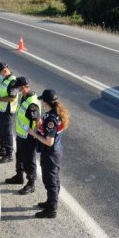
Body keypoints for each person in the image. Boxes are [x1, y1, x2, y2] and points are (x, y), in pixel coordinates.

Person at [27, 89, 69, 218]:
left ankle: (51, 210)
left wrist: (34, 133)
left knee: (50, 181)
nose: (42, 103)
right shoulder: (54, 113)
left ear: (46, 102)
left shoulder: (51, 118)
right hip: (54, 152)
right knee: (53, 180)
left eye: (42, 101)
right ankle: (50, 202)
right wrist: (40, 124)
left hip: (51, 154)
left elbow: (49, 141)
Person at [5, 77, 41, 194]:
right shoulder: (23, 97)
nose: (17, 90)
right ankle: (19, 176)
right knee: (19, 155)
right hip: (21, 134)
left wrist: (35, 136)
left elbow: (37, 122)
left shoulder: (32, 104)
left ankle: (31, 183)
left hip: (28, 137)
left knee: (29, 160)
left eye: (19, 88)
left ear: (24, 87)